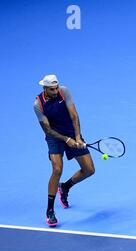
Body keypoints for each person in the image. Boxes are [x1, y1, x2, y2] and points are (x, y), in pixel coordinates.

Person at [34, 75, 95, 227]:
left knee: (89, 169)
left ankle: (65, 186)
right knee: (57, 169)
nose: (55, 91)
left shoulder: (64, 92)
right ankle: (50, 211)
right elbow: (47, 129)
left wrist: (78, 137)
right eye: (51, 89)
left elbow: (74, 115)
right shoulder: (38, 104)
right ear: (45, 88)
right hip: (54, 136)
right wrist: (67, 140)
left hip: (70, 131)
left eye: (56, 88)